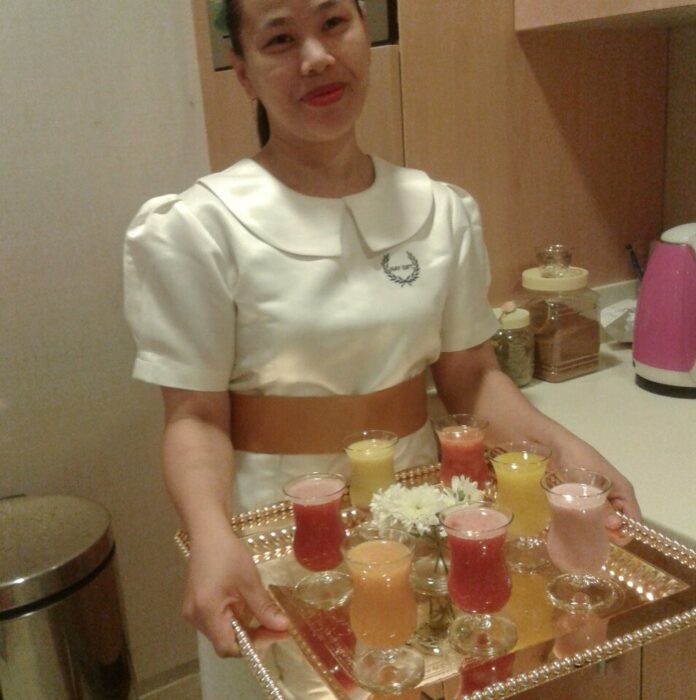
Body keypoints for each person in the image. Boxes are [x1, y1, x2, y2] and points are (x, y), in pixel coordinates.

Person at [123, 0, 641, 697]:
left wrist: (564, 450)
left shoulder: (439, 211)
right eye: (280, 39)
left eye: (334, 22)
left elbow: (471, 377)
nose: (316, 57)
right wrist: (210, 536)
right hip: (269, 531)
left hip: (419, 522)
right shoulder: (197, 228)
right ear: (242, 73)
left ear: (366, 31)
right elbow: (195, 417)